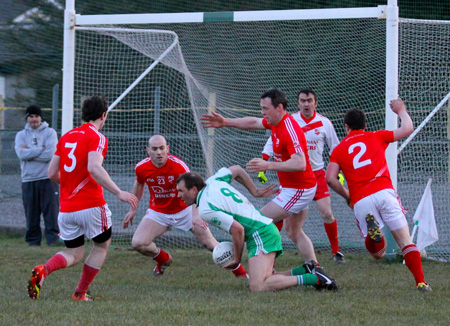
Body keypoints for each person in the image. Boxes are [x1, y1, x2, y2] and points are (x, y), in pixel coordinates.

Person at [27, 96, 138, 301]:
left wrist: (70, 184)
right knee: (101, 246)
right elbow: (94, 167)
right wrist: (119, 192)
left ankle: (44, 269)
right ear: (103, 115)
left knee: (74, 252)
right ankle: (80, 293)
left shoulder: (67, 136)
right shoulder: (97, 137)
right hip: (91, 205)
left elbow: (52, 173)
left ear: (83, 114)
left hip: (67, 209)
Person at [201, 89, 320, 266]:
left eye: (265, 108)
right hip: (294, 188)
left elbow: (300, 163)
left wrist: (268, 165)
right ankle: (315, 268)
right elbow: (253, 122)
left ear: (279, 107)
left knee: (258, 221)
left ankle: (264, 270)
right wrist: (225, 121)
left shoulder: (289, 128)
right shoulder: (275, 122)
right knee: (294, 232)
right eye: (261, 108)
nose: (263, 113)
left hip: (300, 189)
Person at [325, 98, 431, 292]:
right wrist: (401, 110)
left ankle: (376, 236)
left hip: (362, 199)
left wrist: (347, 196)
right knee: (406, 241)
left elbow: (330, 178)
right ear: (365, 125)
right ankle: (421, 282)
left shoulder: (339, 150)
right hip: (384, 192)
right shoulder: (376, 136)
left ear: (346, 127)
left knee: (378, 254)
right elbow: (407, 128)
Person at [176, 165, 338, 292]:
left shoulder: (205, 209)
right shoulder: (213, 180)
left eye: (181, 191)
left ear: (194, 190)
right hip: (263, 229)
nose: (178, 195)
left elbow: (237, 230)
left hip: (260, 233)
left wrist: (237, 260)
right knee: (264, 279)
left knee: (258, 286)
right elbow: (237, 170)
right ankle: (307, 269)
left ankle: (315, 278)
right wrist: (254, 191)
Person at [123, 135, 247, 278]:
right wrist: (133, 208)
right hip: (159, 212)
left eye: (162, 148)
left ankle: (241, 274)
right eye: (155, 149)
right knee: (138, 243)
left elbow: (196, 190)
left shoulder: (179, 167)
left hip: (186, 210)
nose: (159, 152)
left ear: (167, 149)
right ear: (148, 151)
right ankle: (163, 259)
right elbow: (139, 184)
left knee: (211, 244)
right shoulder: (141, 167)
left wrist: (195, 214)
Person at [259, 89, 345, 264]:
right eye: (303, 101)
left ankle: (336, 252)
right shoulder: (288, 120)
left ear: (316, 103)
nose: (306, 104)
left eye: (310, 100)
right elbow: (272, 140)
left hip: (316, 174)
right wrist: (264, 161)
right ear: (298, 104)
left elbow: (335, 148)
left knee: (327, 212)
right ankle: (281, 259)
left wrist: (338, 172)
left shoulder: (324, 123)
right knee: (289, 227)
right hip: (293, 177)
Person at [15, 105, 59, 246]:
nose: (34, 119)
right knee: (31, 214)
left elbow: (50, 155)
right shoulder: (21, 135)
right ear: (27, 118)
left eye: (36, 116)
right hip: (28, 180)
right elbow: (21, 154)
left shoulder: (50, 133)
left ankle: (53, 240)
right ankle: (33, 242)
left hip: (48, 179)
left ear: (41, 118)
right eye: (31, 116)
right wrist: (41, 149)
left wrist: (30, 153)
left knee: (51, 212)